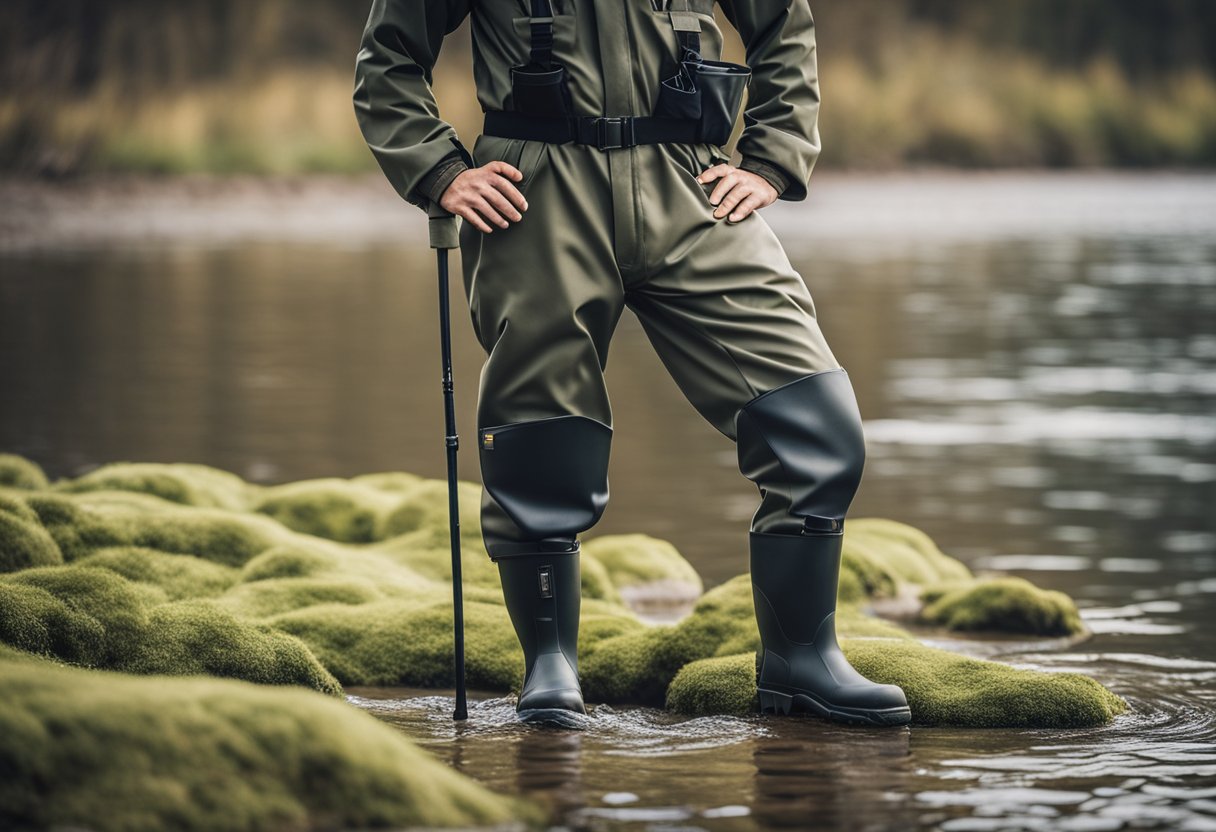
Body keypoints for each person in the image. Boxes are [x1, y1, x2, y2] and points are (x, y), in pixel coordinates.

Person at [354, 0, 911, 726]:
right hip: (537, 194)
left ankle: (801, 661)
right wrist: (440, 169)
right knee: (541, 442)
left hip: (693, 185)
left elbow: (782, 23)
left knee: (818, 428)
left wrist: (772, 157)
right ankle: (550, 669)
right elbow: (388, 58)